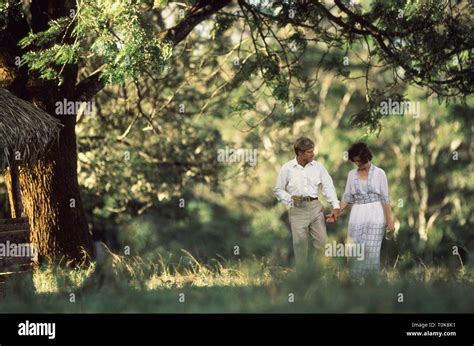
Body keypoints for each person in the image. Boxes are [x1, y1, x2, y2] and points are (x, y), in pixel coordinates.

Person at [328, 142, 395, 275]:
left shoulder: (380, 173)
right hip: (357, 214)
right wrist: (336, 212)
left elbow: (385, 199)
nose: (357, 164)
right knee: (355, 250)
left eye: (359, 161)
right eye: (355, 161)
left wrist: (389, 221)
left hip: (376, 214)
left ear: (367, 157)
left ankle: (370, 284)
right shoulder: (352, 175)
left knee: (371, 251)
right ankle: (355, 284)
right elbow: (346, 198)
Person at [274, 137, 340, 267]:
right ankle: (303, 276)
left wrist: (335, 206)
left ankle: (322, 273)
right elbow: (278, 190)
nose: (313, 154)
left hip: (315, 207)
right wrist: (290, 198)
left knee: (322, 243)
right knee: (300, 246)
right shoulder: (287, 168)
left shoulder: (318, 167)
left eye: (312, 150)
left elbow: (328, 187)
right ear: (299, 153)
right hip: (297, 209)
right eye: (309, 152)